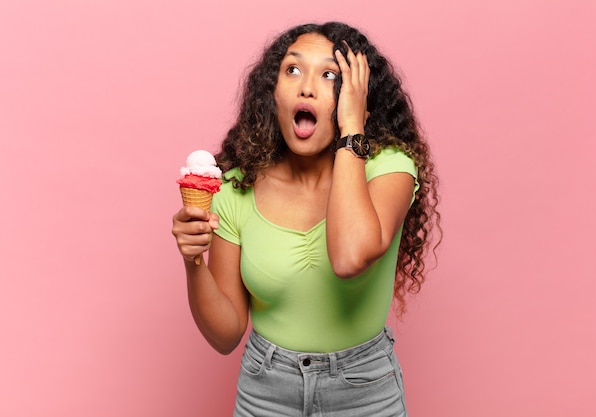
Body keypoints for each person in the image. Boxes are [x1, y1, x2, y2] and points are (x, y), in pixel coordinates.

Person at [172, 21, 441, 417]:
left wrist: (353, 129)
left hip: (364, 391)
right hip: (265, 390)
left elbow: (350, 257)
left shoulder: (386, 168)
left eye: (330, 75)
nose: (307, 87)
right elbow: (225, 335)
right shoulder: (235, 187)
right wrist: (192, 259)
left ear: (354, 95)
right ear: (272, 94)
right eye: (292, 70)